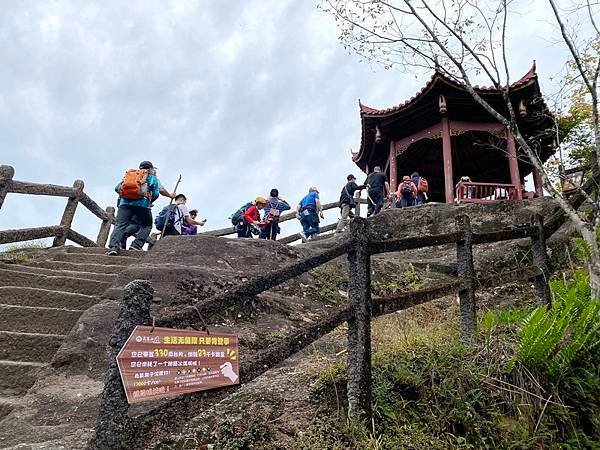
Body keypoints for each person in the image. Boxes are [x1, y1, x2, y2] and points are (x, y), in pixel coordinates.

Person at [107, 161, 172, 255]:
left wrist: (127, 195)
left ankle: (113, 247)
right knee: (147, 225)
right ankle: (136, 245)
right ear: (150, 169)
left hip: (124, 204)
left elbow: (117, 188)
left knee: (120, 225)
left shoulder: (130, 176)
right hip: (142, 205)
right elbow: (156, 194)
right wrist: (149, 200)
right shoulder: (152, 178)